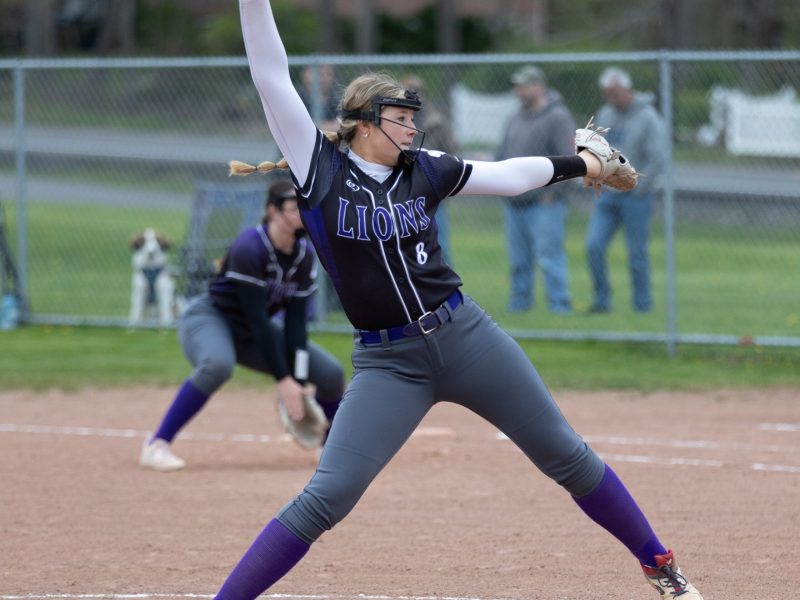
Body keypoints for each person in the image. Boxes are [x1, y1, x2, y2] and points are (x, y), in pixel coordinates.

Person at [213, 2, 705, 599]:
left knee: (565, 455)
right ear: (365, 123)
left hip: (465, 338)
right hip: (388, 363)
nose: (413, 127)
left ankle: (660, 565)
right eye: (400, 117)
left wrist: (580, 164)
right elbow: (270, 70)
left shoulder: (427, 169)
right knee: (327, 496)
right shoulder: (319, 170)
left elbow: (507, 175)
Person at [139, 177, 345, 471]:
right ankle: (157, 444)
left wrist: (297, 379)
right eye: (292, 207)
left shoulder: (304, 255)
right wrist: (283, 380)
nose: (302, 213)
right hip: (212, 318)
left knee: (330, 373)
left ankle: (331, 449)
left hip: (252, 330)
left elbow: (296, 324)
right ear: (272, 211)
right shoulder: (251, 246)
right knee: (218, 364)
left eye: (305, 207)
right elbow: (257, 318)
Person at [585, 66, 666, 313]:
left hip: (635, 198)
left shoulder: (648, 118)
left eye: (615, 92)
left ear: (628, 90)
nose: (611, 98)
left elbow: (658, 158)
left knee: (636, 254)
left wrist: (640, 188)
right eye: (607, 93)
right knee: (593, 246)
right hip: (608, 195)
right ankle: (602, 301)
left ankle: (642, 306)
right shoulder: (605, 115)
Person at [496, 64, 576, 314]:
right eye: (517, 87)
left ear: (538, 86)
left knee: (549, 257)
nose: (519, 91)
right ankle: (520, 305)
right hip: (515, 202)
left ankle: (559, 306)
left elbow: (570, 158)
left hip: (544, 202)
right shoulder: (515, 118)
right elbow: (503, 155)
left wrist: (553, 193)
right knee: (518, 260)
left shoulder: (558, 117)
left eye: (523, 86)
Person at [401, 73, 458, 266]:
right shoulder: (396, 121)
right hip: (402, 195)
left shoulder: (437, 123)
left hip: (431, 195)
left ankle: (445, 294)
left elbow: (452, 155)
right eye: (408, 93)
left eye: (417, 92)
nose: (414, 97)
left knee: (440, 249)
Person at [298, 63, 339, 131]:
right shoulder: (298, 99)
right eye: (320, 73)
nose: (324, 77)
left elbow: (342, 125)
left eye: (328, 73)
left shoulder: (335, 101)